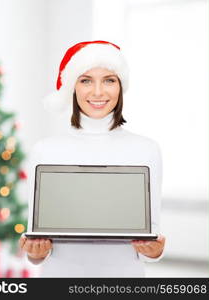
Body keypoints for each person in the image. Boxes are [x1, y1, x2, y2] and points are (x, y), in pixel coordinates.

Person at [19, 40, 166, 277]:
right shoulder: (45, 150)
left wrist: (156, 251)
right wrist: (35, 252)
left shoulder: (146, 149)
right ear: (72, 88)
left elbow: (151, 238)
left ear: (121, 86)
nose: (98, 92)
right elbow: (37, 247)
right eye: (86, 80)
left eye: (109, 80)